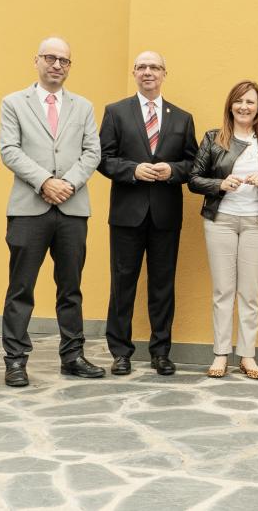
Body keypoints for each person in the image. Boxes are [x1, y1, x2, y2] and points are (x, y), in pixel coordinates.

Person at [0, 37, 105, 387]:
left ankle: (72, 355)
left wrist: (68, 184)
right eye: (50, 58)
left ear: (70, 66)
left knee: (70, 287)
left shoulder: (83, 106)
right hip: (29, 209)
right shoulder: (14, 102)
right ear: (37, 61)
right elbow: (10, 150)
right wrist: (45, 182)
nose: (56, 65)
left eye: (64, 60)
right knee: (21, 287)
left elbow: (92, 152)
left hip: (72, 209)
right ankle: (15, 359)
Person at [97, 51, 198, 377]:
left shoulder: (182, 118)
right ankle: (121, 352)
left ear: (164, 73)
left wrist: (172, 170)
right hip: (127, 214)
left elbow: (194, 164)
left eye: (154, 67)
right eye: (142, 67)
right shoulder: (116, 112)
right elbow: (103, 158)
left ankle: (161, 352)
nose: (148, 72)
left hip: (166, 215)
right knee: (122, 284)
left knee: (162, 285)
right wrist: (133, 170)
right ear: (134, 73)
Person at [187, 80, 258, 379]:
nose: (244, 107)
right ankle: (220, 354)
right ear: (230, 105)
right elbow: (194, 179)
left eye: (250, 102)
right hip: (221, 220)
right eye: (239, 101)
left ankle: (248, 356)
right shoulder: (213, 138)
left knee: (250, 292)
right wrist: (220, 184)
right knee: (223, 290)